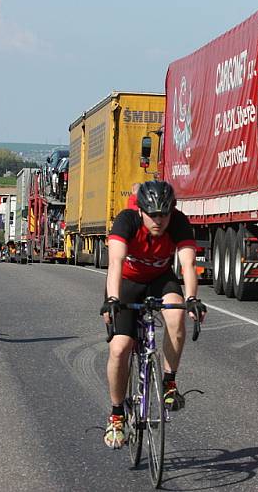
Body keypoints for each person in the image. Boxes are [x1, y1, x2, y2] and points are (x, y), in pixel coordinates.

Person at [99, 180, 206, 448]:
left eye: (164, 214)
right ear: (141, 211)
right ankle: (116, 415)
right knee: (120, 347)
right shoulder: (126, 221)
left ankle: (169, 382)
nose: (158, 220)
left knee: (175, 313)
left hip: (160, 278)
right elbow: (115, 263)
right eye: (152, 214)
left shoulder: (179, 222)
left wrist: (192, 298)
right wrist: (112, 299)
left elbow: (188, 264)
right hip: (127, 282)